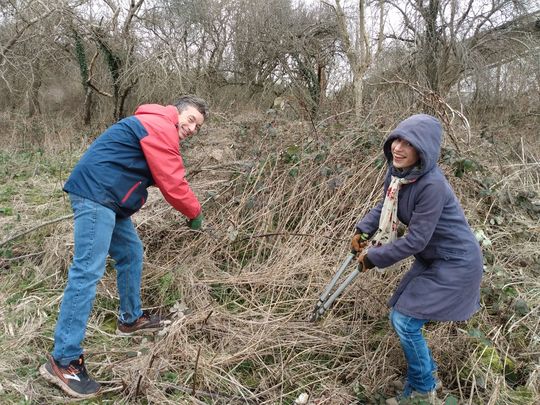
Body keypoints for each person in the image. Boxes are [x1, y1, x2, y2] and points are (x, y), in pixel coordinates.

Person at [39, 95, 209, 399]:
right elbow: (172, 181)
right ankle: (63, 360)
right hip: (97, 195)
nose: (193, 128)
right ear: (177, 112)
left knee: (131, 253)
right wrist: (194, 213)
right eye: (192, 120)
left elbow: (154, 173)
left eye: (198, 127)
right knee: (87, 272)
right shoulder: (159, 124)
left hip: (108, 199)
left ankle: (131, 318)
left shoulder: (156, 127)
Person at [350, 114, 483, 404]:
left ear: (423, 150)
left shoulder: (432, 185)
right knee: (399, 312)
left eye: (408, 143)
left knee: (405, 321)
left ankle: (424, 388)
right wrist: (363, 228)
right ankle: (420, 379)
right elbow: (387, 203)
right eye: (397, 139)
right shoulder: (399, 174)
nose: (398, 147)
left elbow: (416, 240)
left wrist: (374, 257)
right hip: (433, 259)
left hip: (456, 262)